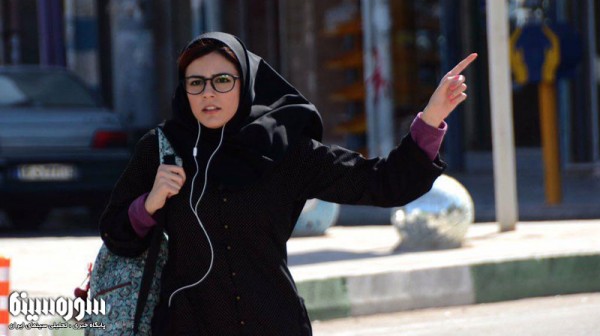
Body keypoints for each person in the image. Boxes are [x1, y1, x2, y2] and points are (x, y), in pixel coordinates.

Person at [100, 31, 476, 335]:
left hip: (274, 323)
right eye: (195, 83)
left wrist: (431, 119)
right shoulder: (162, 150)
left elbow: (383, 183)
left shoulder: (281, 151)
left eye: (222, 80)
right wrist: (149, 204)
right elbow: (117, 236)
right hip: (186, 325)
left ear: (245, 83)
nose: (208, 93)